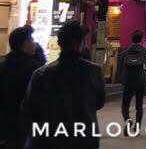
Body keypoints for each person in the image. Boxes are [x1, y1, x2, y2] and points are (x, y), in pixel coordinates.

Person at [21, 21, 105, 149]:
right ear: (80, 44)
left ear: (60, 44)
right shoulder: (94, 71)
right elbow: (99, 102)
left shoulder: (42, 74)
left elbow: (29, 109)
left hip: (50, 138)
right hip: (84, 137)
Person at [0, 25, 44, 149]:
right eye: (31, 40)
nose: (34, 44)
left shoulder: (3, 65)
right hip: (27, 126)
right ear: (25, 44)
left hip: (5, 124)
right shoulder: (35, 69)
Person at [117, 29, 146, 127]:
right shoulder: (145, 52)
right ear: (141, 40)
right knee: (139, 105)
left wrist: (121, 80)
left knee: (125, 105)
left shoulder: (125, 53)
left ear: (131, 39)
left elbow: (120, 69)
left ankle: (128, 120)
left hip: (128, 81)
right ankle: (137, 127)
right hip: (140, 81)